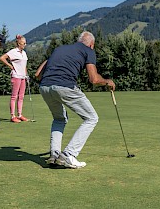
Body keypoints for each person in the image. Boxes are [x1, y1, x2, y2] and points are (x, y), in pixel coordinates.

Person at [38, 31, 115, 169]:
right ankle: (68, 155)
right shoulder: (88, 50)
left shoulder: (60, 49)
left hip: (44, 87)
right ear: (92, 44)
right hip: (64, 86)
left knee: (59, 119)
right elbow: (94, 79)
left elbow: (38, 74)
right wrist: (107, 82)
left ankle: (55, 154)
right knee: (91, 118)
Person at [0, 34, 29, 123]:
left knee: (21, 96)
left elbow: (24, 65)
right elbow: (2, 58)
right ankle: (13, 116)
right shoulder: (13, 51)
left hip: (23, 76)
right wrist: (10, 66)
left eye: (25, 43)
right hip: (16, 76)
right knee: (14, 96)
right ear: (19, 43)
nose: (25, 45)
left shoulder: (24, 53)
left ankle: (20, 115)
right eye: (23, 43)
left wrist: (26, 75)